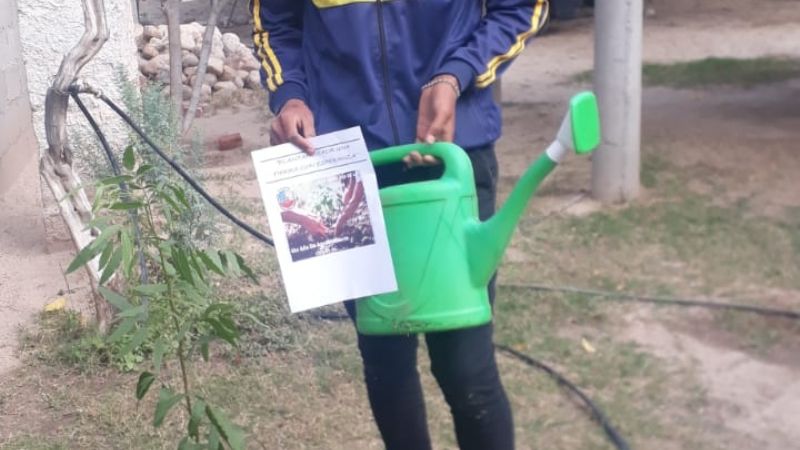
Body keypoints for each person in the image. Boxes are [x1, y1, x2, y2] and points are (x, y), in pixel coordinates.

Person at [250, 1, 549, 449]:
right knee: (384, 355)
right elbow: (276, 21)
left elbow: (522, 7)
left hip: (449, 155)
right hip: (343, 164)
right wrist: (291, 93)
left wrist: (457, 73)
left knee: (465, 365)